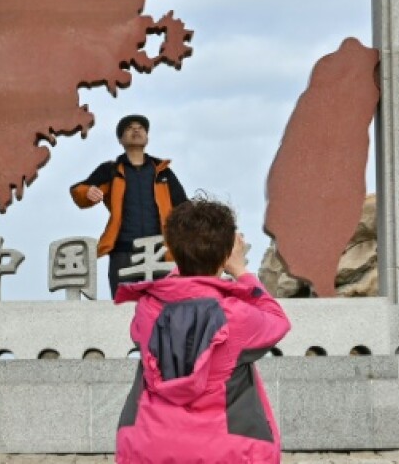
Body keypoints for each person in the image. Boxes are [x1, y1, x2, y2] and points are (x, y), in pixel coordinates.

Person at [113, 199, 290, 464]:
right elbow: (277, 320)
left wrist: (186, 261)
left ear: (172, 250)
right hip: (231, 450)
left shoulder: (148, 309)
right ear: (226, 254)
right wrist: (241, 271)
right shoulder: (236, 315)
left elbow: (178, 294)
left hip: (150, 445)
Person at [70, 114, 188, 295]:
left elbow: (184, 208)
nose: (136, 130)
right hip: (123, 251)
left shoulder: (163, 172)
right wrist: (87, 192)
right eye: (129, 128)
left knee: (163, 307)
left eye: (141, 128)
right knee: (123, 306)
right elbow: (79, 190)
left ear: (147, 137)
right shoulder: (111, 170)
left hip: (161, 251)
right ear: (120, 139)